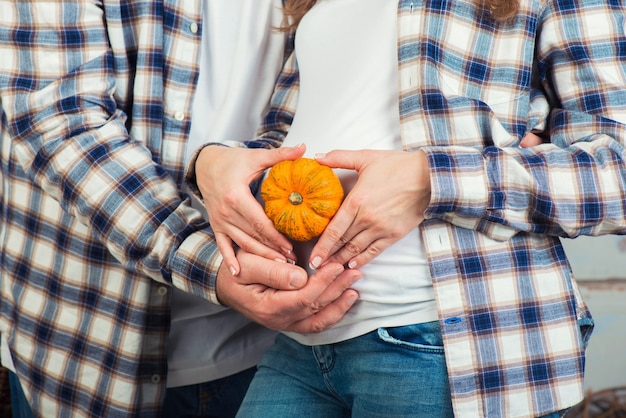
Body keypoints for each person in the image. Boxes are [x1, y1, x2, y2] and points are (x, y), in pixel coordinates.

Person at [192, 0, 626, 416]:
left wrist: (429, 180)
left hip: (445, 340)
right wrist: (215, 161)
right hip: (303, 339)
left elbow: (617, 168)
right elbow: (291, 136)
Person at [0, 1, 362, 417]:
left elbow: (306, 113)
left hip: (269, 349)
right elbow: (62, 122)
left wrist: (224, 165)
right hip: (85, 342)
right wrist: (212, 265)